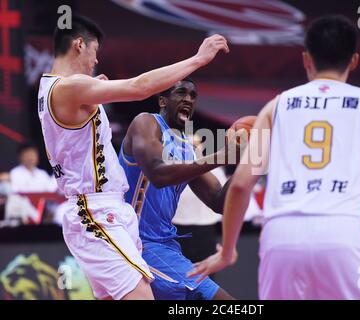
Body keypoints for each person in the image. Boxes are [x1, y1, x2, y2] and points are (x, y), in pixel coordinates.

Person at [188, 15, 360, 300]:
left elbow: (241, 185)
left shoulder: (275, 107)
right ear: (353, 61)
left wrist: (227, 251)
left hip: (281, 238)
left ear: (306, 59)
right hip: (346, 233)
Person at [37, 15, 229, 300]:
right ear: (79, 45)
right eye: (94, 52)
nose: (96, 62)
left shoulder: (55, 88)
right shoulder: (71, 88)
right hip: (97, 214)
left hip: (109, 214)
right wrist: (198, 59)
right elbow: (140, 87)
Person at [119, 78, 238, 300]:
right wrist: (223, 155)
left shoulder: (187, 149)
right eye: (181, 93)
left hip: (167, 244)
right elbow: (158, 173)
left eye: (193, 96)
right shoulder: (145, 123)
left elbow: (219, 201)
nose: (188, 99)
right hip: (136, 242)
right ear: (163, 100)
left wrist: (245, 162)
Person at [173, 135, 225, 265]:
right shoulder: (173, 170)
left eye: (197, 144)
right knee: (179, 278)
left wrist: (227, 243)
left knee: (204, 278)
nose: (194, 147)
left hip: (205, 232)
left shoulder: (216, 171)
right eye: (190, 144)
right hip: (177, 231)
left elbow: (226, 204)